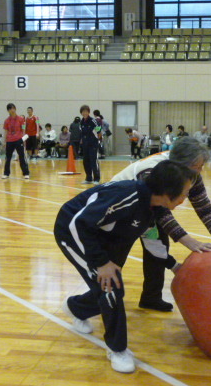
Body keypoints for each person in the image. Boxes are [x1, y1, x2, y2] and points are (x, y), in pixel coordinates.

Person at [56, 160, 196, 373]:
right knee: (111, 287)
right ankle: (117, 349)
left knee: (105, 285)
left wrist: (174, 265)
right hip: (74, 233)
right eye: (184, 193)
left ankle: (77, 307)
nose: (185, 199)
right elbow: (79, 223)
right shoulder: (127, 196)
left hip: (103, 236)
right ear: (168, 191)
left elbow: (152, 241)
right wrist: (102, 262)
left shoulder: (154, 207)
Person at [111, 137, 211, 312]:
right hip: (119, 209)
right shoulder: (153, 172)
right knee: (117, 254)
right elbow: (161, 213)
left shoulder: (190, 174)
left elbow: (203, 206)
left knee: (158, 245)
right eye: (198, 166)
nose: (201, 170)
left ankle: (151, 298)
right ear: (183, 163)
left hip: (145, 210)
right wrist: (189, 241)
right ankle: (100, 299)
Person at [1, 103, 30, 180]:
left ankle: (26, 173)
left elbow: (23, 129)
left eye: (13, 108)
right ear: (8, 111)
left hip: (18, 140)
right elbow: (6, 131)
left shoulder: (21, 119)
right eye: (10, 109)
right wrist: (4, 141)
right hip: (10, 141)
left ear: (15, 109)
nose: (12, 110)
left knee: (22, 157)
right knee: (8, 158)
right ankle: (6, 173)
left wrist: (23, 139)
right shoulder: (6, 121)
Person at [79, 105, 101, 184]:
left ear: (88, 112)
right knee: (86, 161)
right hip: (85, 144)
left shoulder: (93, 121)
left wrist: (98, 138)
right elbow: (81, 132)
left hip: (93, 144)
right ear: (81, 113)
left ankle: (96, 178)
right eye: (83, 112)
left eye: (86, 111)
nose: (84, 113)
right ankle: (88, 178)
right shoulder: (81, 122)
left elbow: (99, 129)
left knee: (93, 161)